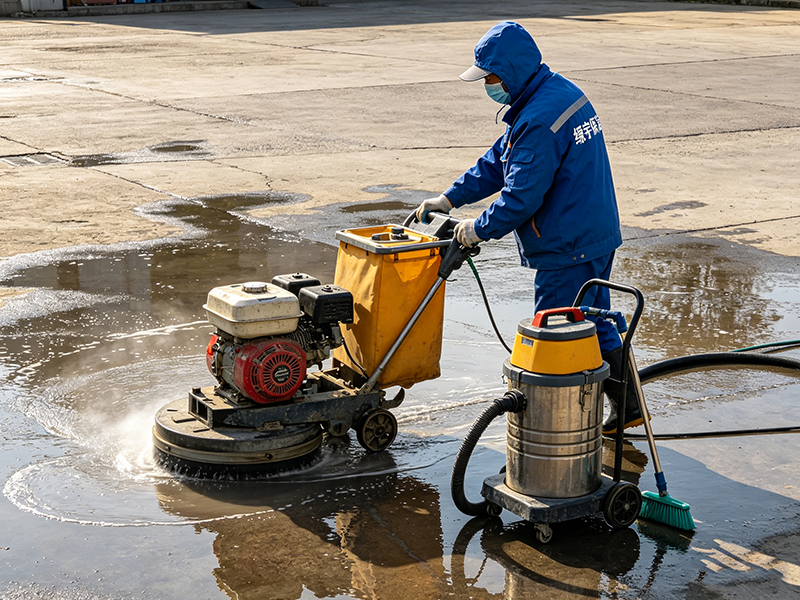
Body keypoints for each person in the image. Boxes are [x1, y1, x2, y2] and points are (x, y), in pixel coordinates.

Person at [414, 21, 643, 435]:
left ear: (512, 72)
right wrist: (449, 198)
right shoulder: (554, 92)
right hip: (593, 231)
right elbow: (498, 160)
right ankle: (627, 407)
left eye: (491, 76)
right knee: (594, 319)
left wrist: (476, 229)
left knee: (553, 329)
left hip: (567, 243)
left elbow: (521, 197)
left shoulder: (537, 118)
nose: (488, 84)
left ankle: (552, 429)